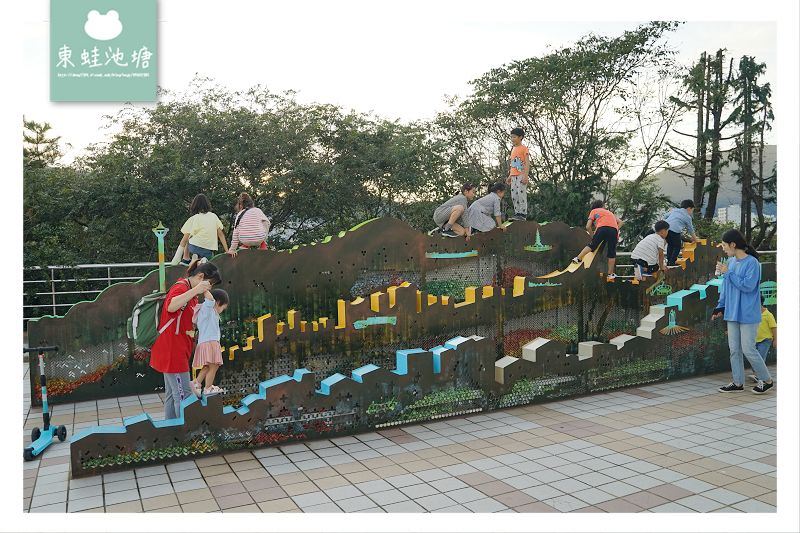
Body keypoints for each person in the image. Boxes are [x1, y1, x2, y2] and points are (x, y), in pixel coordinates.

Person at [149, 260, 222, 419]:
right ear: (201, 277)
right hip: (173, 351)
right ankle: (185, 435)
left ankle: (171, 432)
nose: (210, 288)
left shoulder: (191, 291)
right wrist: (196, 289)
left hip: (175, 349)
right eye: (210, 284)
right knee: (184, 396)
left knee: (172, 394)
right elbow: (171, 306)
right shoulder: (182, 287)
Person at [713, 229, 773, 394]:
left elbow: (748, 286)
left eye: (725, 245)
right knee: (734, 349)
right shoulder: (731, 262)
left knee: (748, 349)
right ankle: (737, 382)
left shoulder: (752, 263)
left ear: (733, 244)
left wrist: (728, 272)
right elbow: (726, 286)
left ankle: (766, 379)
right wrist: (720, 305)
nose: (723, 248)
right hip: (732, 312)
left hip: (747, 313)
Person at [189, 288, 229, 396]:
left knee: (207, 366)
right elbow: (210, 300)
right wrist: (203, 287)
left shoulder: (206, 311)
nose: (222, 311)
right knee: (214, 366)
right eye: (223, 308)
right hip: (210, 342)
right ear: (218, 302)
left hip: (206, 342)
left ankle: (196, 383)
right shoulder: (208, 309)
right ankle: (208, 388)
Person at [572, 200, 623, 282]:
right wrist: (615, 229)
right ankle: (610, 274)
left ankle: (578, 258)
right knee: (612, 252)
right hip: (613, 230)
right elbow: (620, 222)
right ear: (602, 206)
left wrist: (593, 236)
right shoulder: (609, 212)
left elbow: (588, 226)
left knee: (592, 245)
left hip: (602, 229)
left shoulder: (594, 211)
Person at [179, 194, 229, 264]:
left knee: (188, 237)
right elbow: (221, 235)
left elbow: (183, 241)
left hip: (194, 247)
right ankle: (203, 259)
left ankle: (186, 258)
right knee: (209, 259)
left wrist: (176, 259)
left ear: (194, 205)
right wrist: (227, 250)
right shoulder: (214, 216)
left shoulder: (194, 218)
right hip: (208, 250)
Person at [664, 199, 699, 266]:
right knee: (677, 246)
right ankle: (672, 261)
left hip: (666, 229)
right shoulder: (687, 217)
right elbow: (691, 229)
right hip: (675, 230)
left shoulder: (675, 210)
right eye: (692, 210)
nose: (691, 212)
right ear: (689, 208)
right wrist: (695, 239)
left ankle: (669, 261)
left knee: (670, 245)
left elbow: (665, 216)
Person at [505, 127, 530, 221]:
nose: (512, 139)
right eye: (511, 137)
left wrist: (525, 175)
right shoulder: (513, 149)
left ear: (520, 137)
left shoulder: (524, 149)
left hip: (521, 175)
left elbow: (527, 163)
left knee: (521, 194)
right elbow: (513, 165)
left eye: (514, 137)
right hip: (514, 175)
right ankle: (517, 213)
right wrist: (509, 176)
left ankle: (523, 214)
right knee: (514, 195)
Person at [751, 297, 777, 382]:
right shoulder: (754, 314)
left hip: (765, 340)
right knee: (754, 357)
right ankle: (757, 375)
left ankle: (760, 376)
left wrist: (775, 340)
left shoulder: (768, 314)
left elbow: (774, 328)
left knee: (760, 358)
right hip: (755, 340)